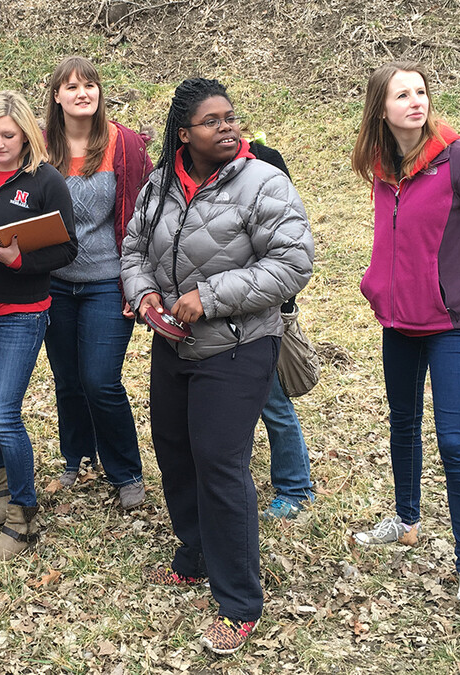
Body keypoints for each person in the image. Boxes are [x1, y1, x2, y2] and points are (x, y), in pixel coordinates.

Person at [120, 78, 313, 655]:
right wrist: (146, 291)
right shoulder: (159, 185)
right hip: (173, 343)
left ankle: (238, 601)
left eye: (231, 117)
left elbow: (293, 262)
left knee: (220, 462)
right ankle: (196, 552)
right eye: (212, 121)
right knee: (175, 449)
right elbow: (133, 250)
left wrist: (211, 295)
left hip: (239, 344)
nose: (227, 127)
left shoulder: (263, 182)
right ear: (185, 134)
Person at [349, 61, 460, 622]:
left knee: (455, 441)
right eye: (403, 94)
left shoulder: (459, 158)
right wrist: (379, 289)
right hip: (399, 324)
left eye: (421, 91)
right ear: (382, 107)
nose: (415, 102)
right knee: (402, 423)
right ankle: (405, 518)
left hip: (453, 327)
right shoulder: (381, 165)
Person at [0, 90, 76, 561]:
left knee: (5, 411)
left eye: (9, 135)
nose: (0, 143)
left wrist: (18, 257)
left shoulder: (46, 182)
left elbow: (67, 250)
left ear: (27, 135)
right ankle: (1, 488)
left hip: (23, 311)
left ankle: (23, 515)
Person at [41, 56, 151, 509]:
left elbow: (146, 216)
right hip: (54, 283)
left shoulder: (123, 144)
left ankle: (126, 471)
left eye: (90, 85)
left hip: (108, 280)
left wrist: (140, 284)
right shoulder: (41, 145)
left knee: (100, 380)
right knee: (67, 378)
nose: (82, 93)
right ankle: (77, 459)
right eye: (71, 86)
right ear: (56, 97)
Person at [246, 141, 318, 520]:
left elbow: (290, 258)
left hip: (265, 317)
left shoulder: (268, 168)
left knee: (273, 403)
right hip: (224, 320)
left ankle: (295, 487)